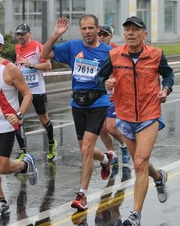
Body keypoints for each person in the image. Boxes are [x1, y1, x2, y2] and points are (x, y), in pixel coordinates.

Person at [95, 16, 174, 226]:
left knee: (139, 162)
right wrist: (105, 82)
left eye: (135, 30)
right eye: (127, 29)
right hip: (125, 117)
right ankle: (159, 177)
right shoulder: (114, 55)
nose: (130, 33)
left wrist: (166, 89)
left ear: (144, 35)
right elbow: (98, 78)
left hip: (149, 115)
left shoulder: (156, 55)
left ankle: (135, 215)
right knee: (142, 162)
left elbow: (168, 75)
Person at [40, 15, 115, 210]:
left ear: (98, 29)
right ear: (80, 30)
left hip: (99, 101)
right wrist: (56, 34)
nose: (88, 31)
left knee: (87, 148)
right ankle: (106, 159)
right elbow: (44, 54)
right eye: (84, 28)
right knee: (85, 150)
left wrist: (111, 82)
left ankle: (82, 194)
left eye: (91, 28)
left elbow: (120, 75)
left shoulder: (109, 52)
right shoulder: (72, 47)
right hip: (78, 102)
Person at [0, 33, 39, 213]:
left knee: (2, 166)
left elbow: (28, 94)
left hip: (6, 125)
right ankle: (2, 200)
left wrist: (19, 114)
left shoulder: (9, 69)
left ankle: (25, 164)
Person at [14, 23, 57, 161]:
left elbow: (48, 66)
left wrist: (31, 64)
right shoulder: (17, 48)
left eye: (22, 34)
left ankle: (51, 143)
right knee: (18, 119)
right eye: (18, 34)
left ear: (29, 33)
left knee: (43, 119)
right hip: (23, 89)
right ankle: (22, 151)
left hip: (37, 89)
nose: (20, 37)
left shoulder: (38, 46)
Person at [97, 25, 131, 165]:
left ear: (111, 36)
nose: (102, 37)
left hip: (114, 95)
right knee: (101, 129)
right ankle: (112, 153)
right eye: (100, 34)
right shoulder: (94, 50)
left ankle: (124, 146)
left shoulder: (118, 52)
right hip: (99, 94)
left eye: (105, 34)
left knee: (111, 127)